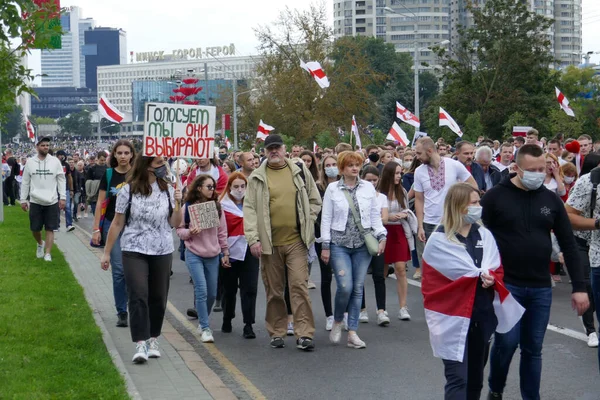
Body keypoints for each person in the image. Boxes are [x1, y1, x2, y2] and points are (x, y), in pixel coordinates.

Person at [482, 144, 589, 400]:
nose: (538, 174)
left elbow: (569, 245)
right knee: (507, 343)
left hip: (541, 287)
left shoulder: (550, 200)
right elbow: (477, 236)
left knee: (533, 348)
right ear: (516, 168)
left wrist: (579, 287)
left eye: (542, 169)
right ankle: (496, 388)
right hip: (507, 285)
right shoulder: (496, 197)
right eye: (532, 170)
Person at [422, 183, 524, 400]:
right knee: (458, 377)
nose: (480, 207)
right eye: (475, 203)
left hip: (482, 314)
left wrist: (491, 279)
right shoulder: (439, 240)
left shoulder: (484, 235)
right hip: (451, 317)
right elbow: (432, 282)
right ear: (459, 206)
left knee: (475, 378)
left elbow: (497, 268)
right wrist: (470, 278)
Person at [101, 155, 183, 364]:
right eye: (158, 164)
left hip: (162, 249)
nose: (163, 167)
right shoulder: (128, 190)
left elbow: (175, 222)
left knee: (158, 296)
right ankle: (140, 343)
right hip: (133, 248)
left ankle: (153, 338)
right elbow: (118, 223)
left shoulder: (168, 190)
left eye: (164, 163)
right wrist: (107, 252)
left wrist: (179, 202)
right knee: (138, 294)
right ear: (147, 166)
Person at [244, 134, 322, 351]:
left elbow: (315, 199)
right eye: (270, 149)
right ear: (265, 151)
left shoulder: (298, 170)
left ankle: (304, 333)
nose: (274, 152)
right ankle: (277, 331)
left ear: (285, 149)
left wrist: (309, 219)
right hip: (269, 244)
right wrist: (253, 239)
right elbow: (249, 209)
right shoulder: (257, 177)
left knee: (299, 286)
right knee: (275, 290)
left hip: (297, 240)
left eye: (277, 147)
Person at [320, 151, 387, 349]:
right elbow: (326, 218)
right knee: (345, 286)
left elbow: (375, 215)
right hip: (339, 244)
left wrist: (382, 235)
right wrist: (325, 245)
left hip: (362, 245)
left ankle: (352, 332)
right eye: (350, 165)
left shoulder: (367, 187)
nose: (355, 168)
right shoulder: (333, 189)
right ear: (342, 168)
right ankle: (338, 321)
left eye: (357, 164)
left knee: (358, 288)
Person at [177, 174, 229, 343]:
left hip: (212, 254)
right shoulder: (188, 207)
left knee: (212, 293)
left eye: (213, 187)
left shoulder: (216, 207)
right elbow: (179, 230)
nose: (212, 189)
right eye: (209, 186)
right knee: (201, 290)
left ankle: (203, 320)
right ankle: (205, 327)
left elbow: (222, 232)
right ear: (199, 188)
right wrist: (189, 232)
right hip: (194, 253)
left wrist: (225, 252)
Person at [92, 140, 135, 328]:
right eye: (120, 153)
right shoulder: (108, 175)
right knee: (118, 270)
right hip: (113, 224)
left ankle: (135, 305)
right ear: (114, 155)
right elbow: (101, 203)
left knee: (134, 270)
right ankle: (122, 311)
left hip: (135, 226)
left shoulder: (138, 174)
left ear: (132, 155)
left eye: (127, 153)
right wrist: (96, 229)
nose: (123, 156)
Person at [414, 137, 477, 245]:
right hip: (429, 223)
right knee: (433, 259)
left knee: (455, 257)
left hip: (453, 221)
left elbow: (474, 187)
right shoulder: (419, 171)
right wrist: (420, 226)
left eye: (419, 153)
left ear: (429, 151)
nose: (417, 157)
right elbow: (419, 200)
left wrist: (460, 202)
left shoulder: (454, 165)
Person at [219, 172, 260, 339]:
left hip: (249, 250)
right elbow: (217, 231)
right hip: (229, 252)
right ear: (229, 188)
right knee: (228, 290)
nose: (239, 189)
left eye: (243, 186)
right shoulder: (221, 205)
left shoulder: (252, 205)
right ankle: (227, 317)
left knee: (249, 288)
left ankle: (248, 324)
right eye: (235, 186)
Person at [20, 137, 66, 262]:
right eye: (43, 145)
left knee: (50, 228)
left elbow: (61, 179)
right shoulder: (30, 162)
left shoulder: (55, 161)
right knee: (35, 229)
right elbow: (25, 182)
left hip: (51, 200)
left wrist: (63, 197)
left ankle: (47, 253)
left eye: (47, 145)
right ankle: (40, 243)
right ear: (37, 147)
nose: (46, 147)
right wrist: (23, 200)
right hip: (35, 200)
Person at [379, 161, 414, 321]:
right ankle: (382, 308)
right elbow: (374, 213)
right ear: (388, 174)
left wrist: (404, 214)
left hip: (399, 230)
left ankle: (403, 307)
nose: (399, 176)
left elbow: (407, 209)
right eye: (396, 173)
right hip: (382, 232)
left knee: (400, 268)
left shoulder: (403, 191)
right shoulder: (378, 192)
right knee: (382, 271)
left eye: (400, 173)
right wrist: (386, 217)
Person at [360, 166, 391, 326]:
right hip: (361, 239)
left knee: (379, 275)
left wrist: (375, 218)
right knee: (360, 276)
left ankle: (381, 310)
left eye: (374, 180)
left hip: (378, 238)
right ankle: (362, 309)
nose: (371, 183)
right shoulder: (357, 196)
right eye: (368, 180)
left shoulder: (382, 198)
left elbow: (384, 219)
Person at [316, 155, 339, 330]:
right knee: (326, 276)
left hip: (342, 237)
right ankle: (329, 315)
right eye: (328, 165)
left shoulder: (344, 186)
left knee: (343, 277)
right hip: (323, 237)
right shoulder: (318, 188)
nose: (331, 167)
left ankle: (343, 312)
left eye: (334, 164)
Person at [56, 150, 74, 232]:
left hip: (65, 188)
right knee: (56, 207)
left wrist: (71, 189)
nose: (61, 157)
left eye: (62, 155)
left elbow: (70, 177)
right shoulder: (54, 164)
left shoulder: (66, 165)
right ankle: (56, 225)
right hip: (55, 188)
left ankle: (69, 224)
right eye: (60, 155)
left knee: (67, 207)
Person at [86, 151, 108, 216]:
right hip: (95, 196)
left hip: (105, 195)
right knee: (96, 215)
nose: (103, 162)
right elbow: (87, 182)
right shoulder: (92, 169)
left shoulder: (108, 168)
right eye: (101, 160)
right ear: (97, 159)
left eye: (104, 160)